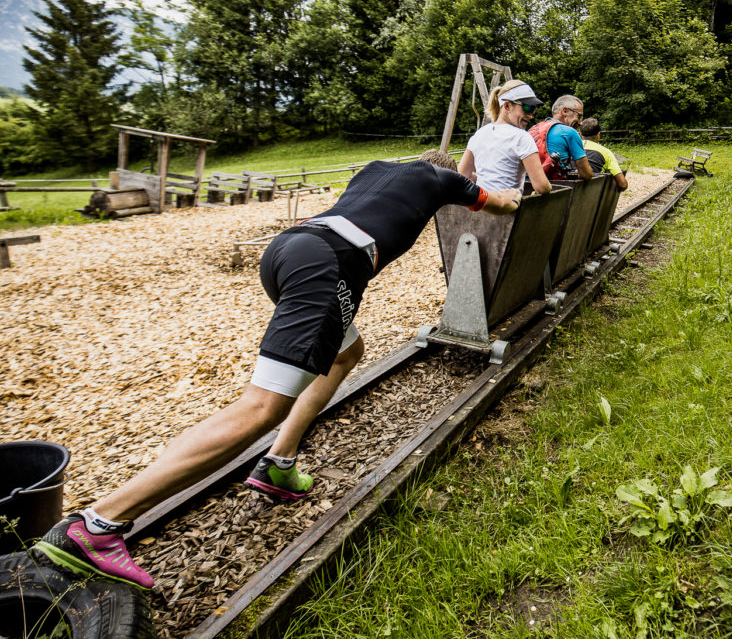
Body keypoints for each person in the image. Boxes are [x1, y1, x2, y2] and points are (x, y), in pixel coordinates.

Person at [32, 151, 523, 589]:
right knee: (263, 406)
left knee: (346, 353)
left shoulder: (376, 169)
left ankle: (278, 463)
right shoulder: (442, 180)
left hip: (290, 249)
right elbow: (500, 205)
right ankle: (97, 525)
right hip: (329, 265)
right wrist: (516, 192)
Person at [459, 80, 552, 195]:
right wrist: (549, 187)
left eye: (533, 109)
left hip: (481, 207)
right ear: (507, 106)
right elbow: (541, 187)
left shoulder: (479, 134)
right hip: (507, 210)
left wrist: (486, 179)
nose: (531, 116)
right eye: (527, 108)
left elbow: (462, 175)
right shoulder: (522, 137)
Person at [528, 95, 593, 181]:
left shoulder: (533, 128)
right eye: (579, 116)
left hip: (527, 184)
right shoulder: (570, 132)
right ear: (565, 111)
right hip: (553, 187)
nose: (581, 123)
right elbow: (586, 174)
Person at [579, 117, 628, 191]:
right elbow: (622, 184)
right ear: (598, 135)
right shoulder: (605, 152)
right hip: (593, 192)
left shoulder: (571, 148)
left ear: (580, 134)